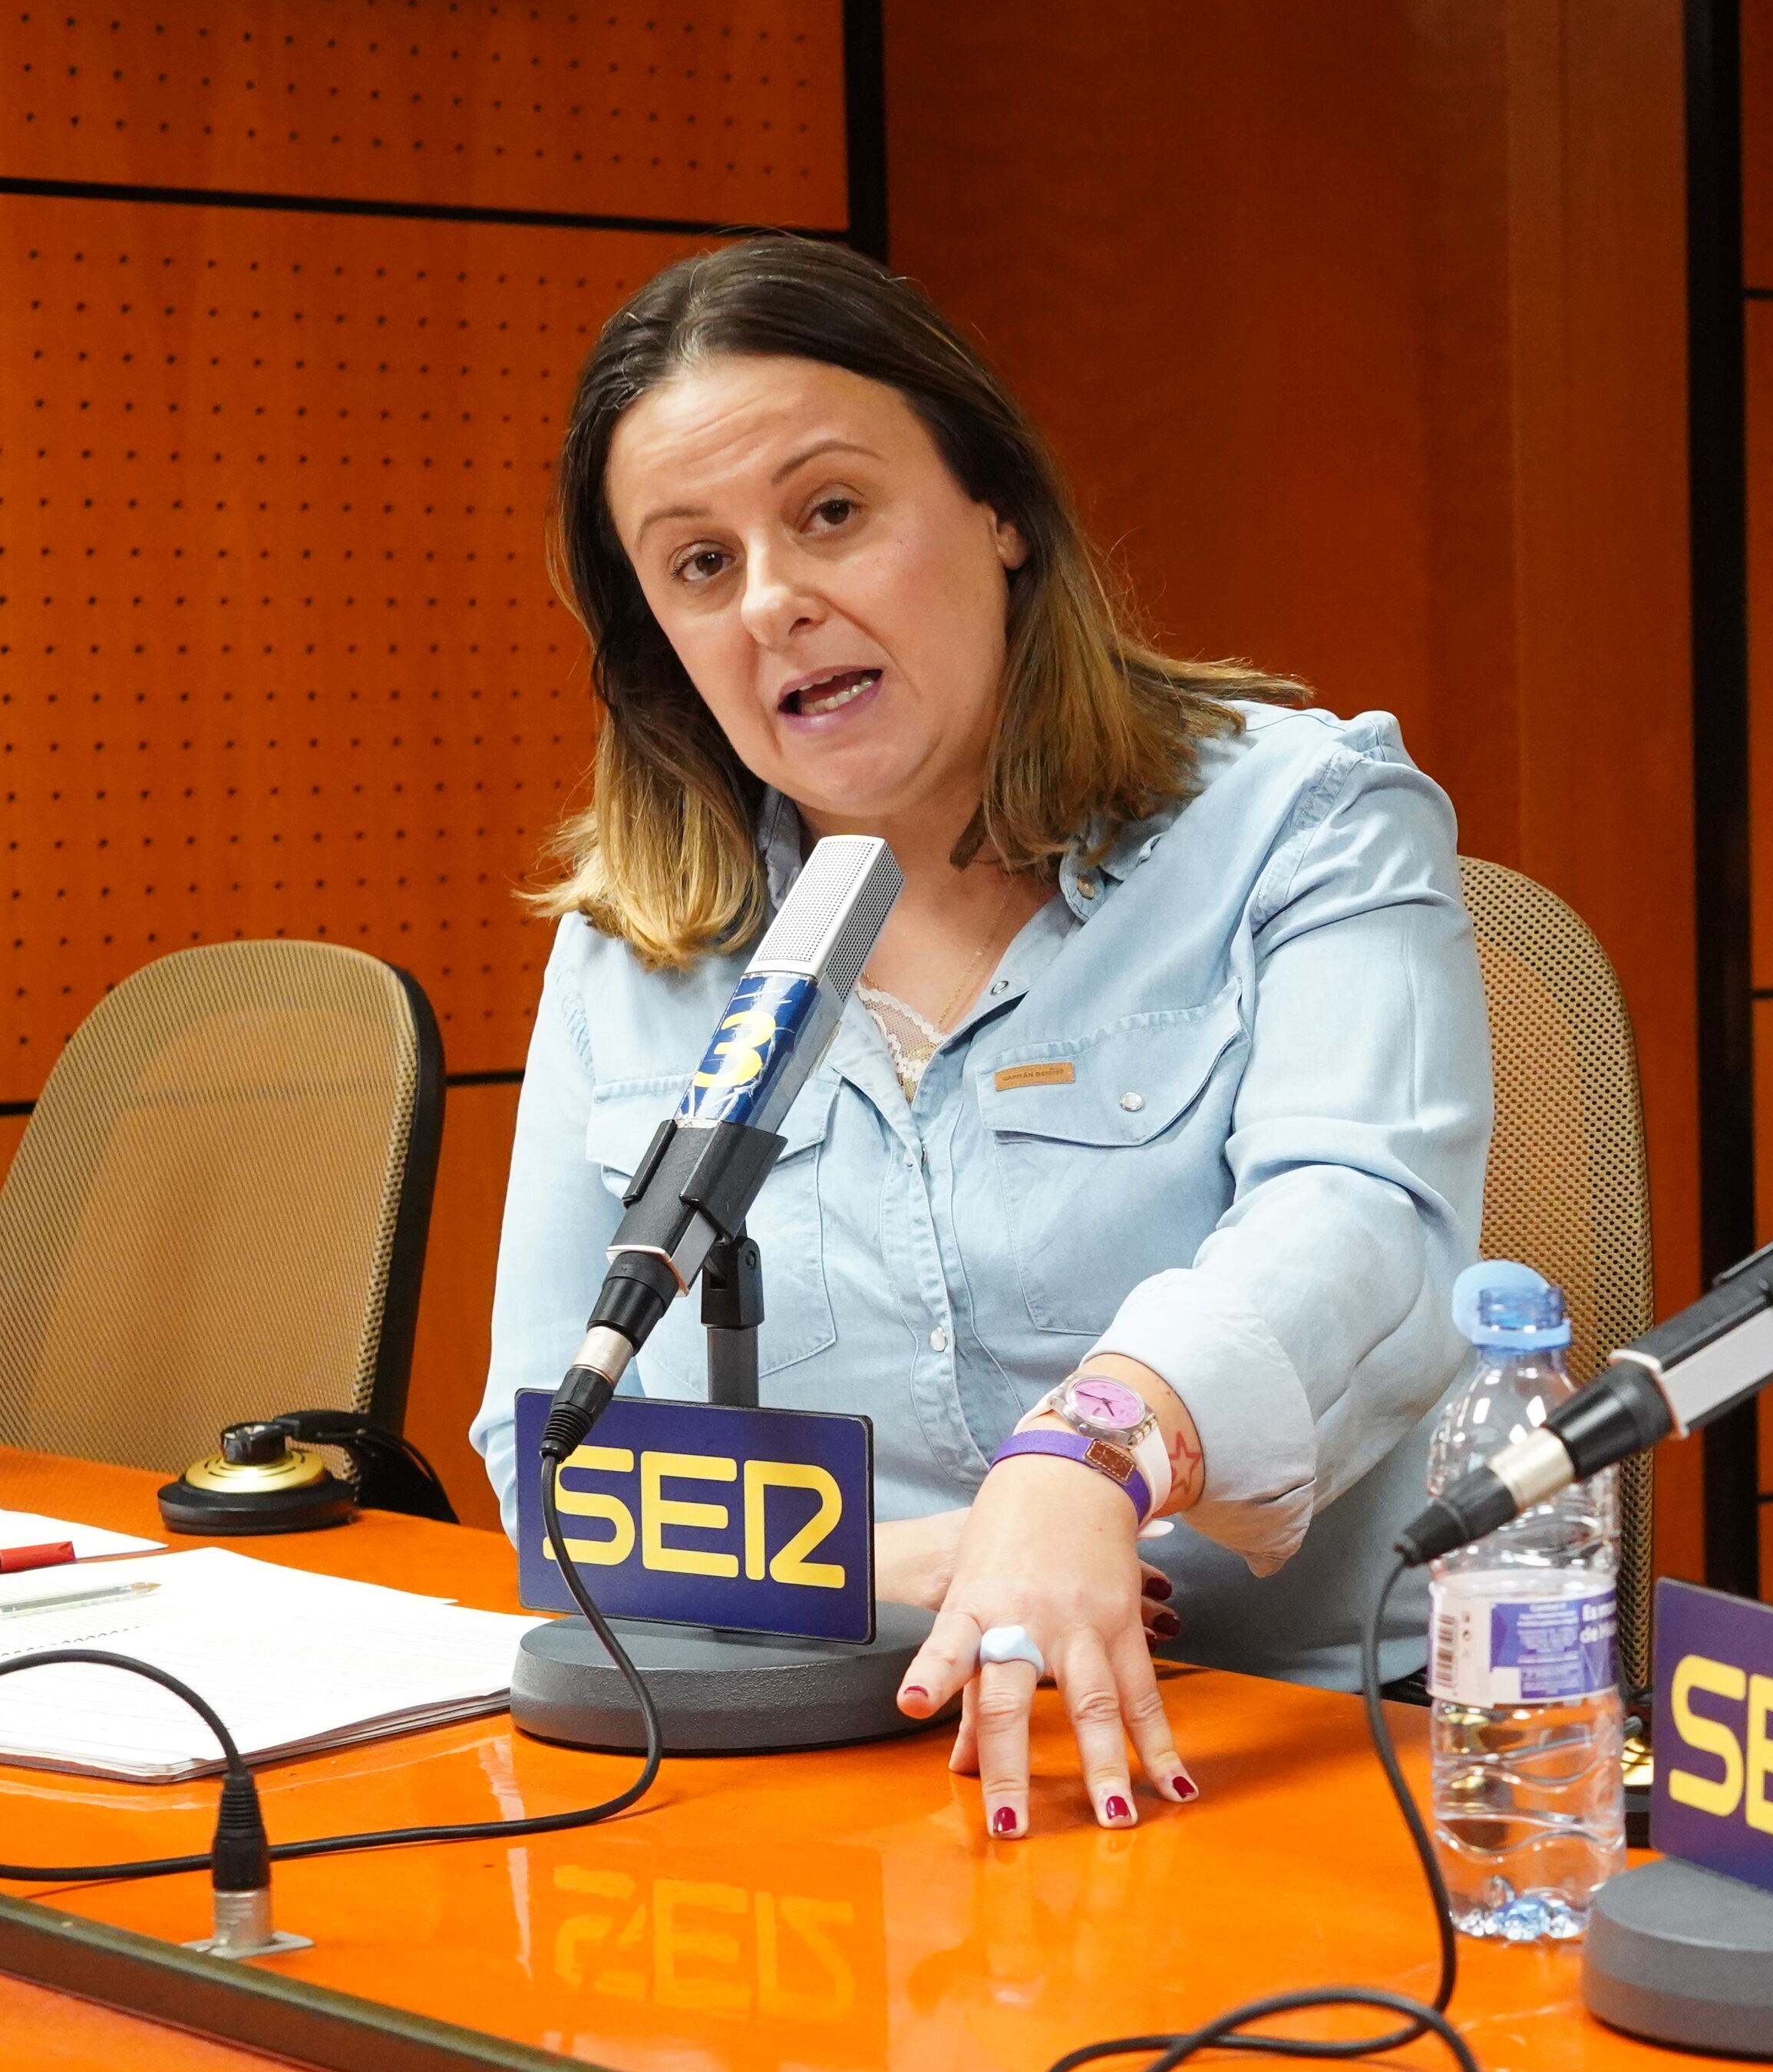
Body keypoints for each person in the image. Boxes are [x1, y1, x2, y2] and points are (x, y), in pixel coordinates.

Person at [475, 238, 1494, 1839]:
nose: (776, 602)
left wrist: (1088, 1456)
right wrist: (922, 1568)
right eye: (697, 565)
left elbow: (1367, 1222)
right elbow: (557, 1453)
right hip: (833, 1770)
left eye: (829, 512)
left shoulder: (1304, 820)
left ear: (997, 509)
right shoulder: (636, 936)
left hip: (1271, 1752)